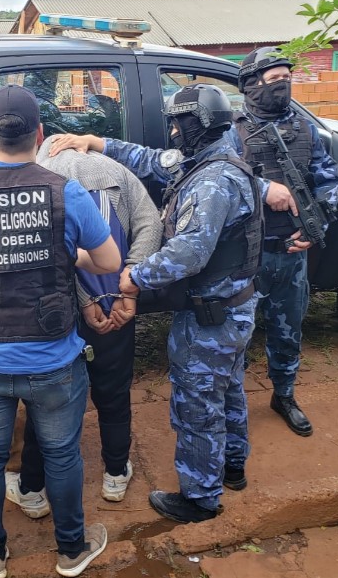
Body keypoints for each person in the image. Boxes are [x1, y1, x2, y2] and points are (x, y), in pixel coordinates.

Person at [49, 83, 262, 523]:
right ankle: (233, 467)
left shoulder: (213, 180)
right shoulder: (206, 158)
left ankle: (200, 498)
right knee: (229, 390)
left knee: (198, 406)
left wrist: (134, 278)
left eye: (179, 122)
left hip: (210, 314)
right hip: (231, 308)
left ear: (198, 124)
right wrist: (97, 142)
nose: (173, 131)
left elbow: (189, 252)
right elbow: (150, 160)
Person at [0, 85, 120, 578]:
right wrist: (68, 254)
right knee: (62, 456)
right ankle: (70, 551)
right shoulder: (67, 192)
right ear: (40, 135)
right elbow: (109, 261)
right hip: (52, 358)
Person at [3, 135, 163, 518]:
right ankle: (115, 472)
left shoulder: (39, 180)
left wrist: (85, 299)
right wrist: (130, 288)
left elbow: (54, 251)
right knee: (113, 390)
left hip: (61, 315)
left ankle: (32, 487)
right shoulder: (120, 172)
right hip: (119, 309)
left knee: (48, 400)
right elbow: (150, 225)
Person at [226, 46, 338, 438]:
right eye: (274, 79)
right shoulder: (231, 130)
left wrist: (314, 229)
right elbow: (215, 178)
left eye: (286, 78)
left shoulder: (306, 129)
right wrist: (262, 188)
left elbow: (328, 182)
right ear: (251, 86)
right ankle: (232, 402)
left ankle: (285, 395)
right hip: (247, 256)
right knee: (236, 337)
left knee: (288, 331)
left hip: (291, 256)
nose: (283, 85)